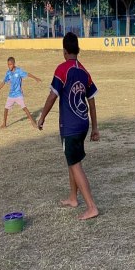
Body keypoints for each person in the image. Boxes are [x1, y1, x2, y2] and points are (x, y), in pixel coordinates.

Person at [37, 32, 100, 220]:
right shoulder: (84, 71)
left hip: (70, 127)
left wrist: (42, 117)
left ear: (64, 51)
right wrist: (95, 127)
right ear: (77, 50)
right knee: (72, 161)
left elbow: (52, 96)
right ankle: (73, 198)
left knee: (75, 163)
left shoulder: (62, 69)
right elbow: (92, 100)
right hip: (83, 124)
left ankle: (91, 207)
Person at [0, 56, 41, 128]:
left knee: (24, 108)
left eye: (11, 64)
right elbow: (3, 82)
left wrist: (36, 78)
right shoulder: (8, 73)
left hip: (18, 94)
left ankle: (33, 122)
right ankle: (4, 124)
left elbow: (28, 74)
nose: (9, 66)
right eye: (8, 64)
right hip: (11, 95)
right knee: (6, 109)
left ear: (14, 64)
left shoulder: (19, 71)